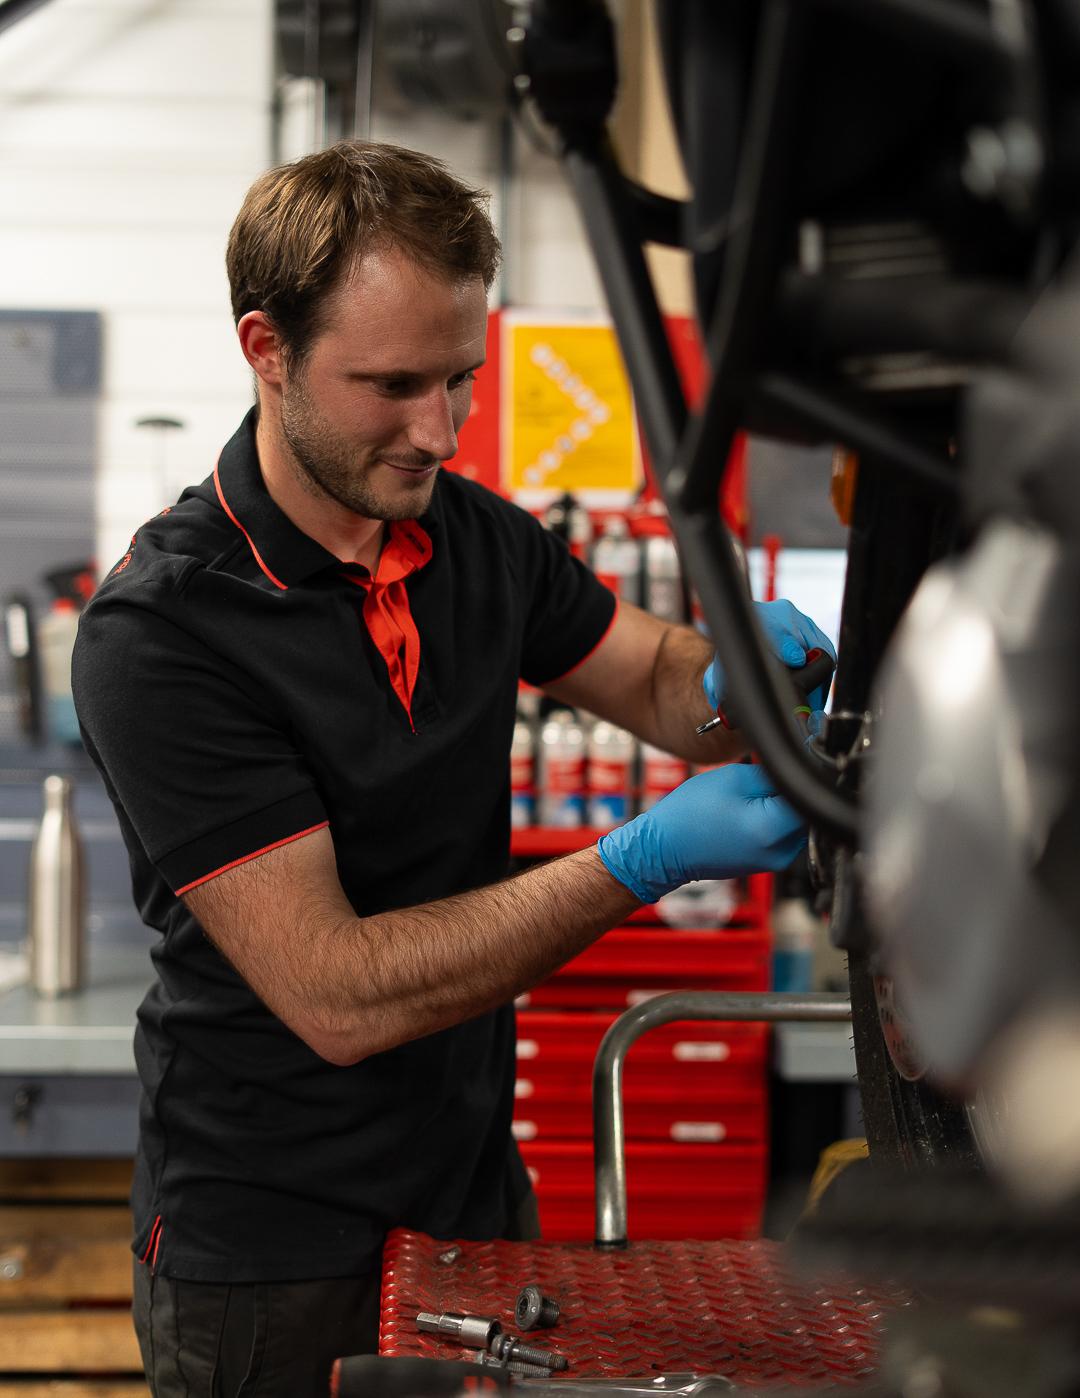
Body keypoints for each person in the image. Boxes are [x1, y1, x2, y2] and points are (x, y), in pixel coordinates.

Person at [72, 140, 834, 1398]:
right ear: (267, 350)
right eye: (392, 385)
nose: (439, 430)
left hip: (476, 1196)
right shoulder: (164, 631)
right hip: (271, 1250)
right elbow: (338, 996)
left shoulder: (470, 536)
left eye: (460, 379)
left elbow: (652, 677)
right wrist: (640, 859)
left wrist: (737, 679)